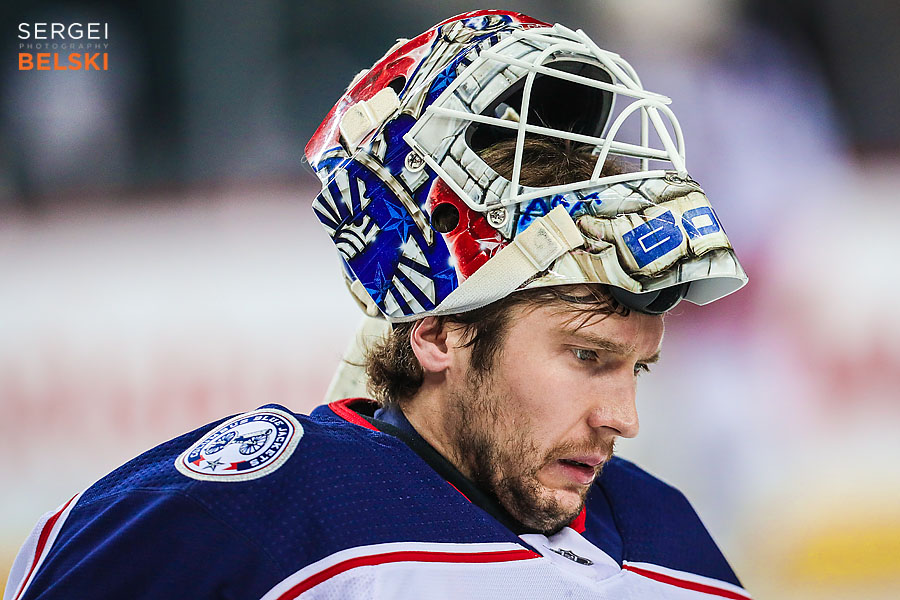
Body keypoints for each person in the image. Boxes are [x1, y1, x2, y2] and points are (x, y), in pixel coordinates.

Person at [5, 10, 752, 600]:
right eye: (587, 357)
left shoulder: (672, 546)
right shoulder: (261, 518)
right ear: (437, 335)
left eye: (638, 368)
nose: (623, 417)